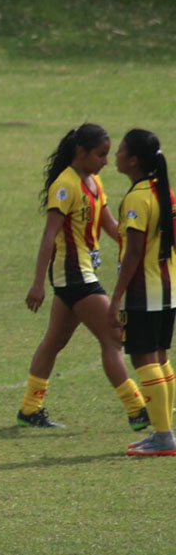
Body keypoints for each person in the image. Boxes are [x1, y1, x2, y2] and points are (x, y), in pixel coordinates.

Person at [18, 124, 148, 430]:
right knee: (114, 337)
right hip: (74, 275)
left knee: (55, 341)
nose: (106, 160)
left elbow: (110, 225)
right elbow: (49, 236)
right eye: (100, 154)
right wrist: (38, 282)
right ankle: (137, 410)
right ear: (81, 153)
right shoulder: (65, 186)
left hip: (81, 274)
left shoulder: (94, 182)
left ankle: (29, 408)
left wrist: (138, 244)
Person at [108, 130, 176, 456]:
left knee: (144, 357)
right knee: (161, 356)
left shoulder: (136, 198)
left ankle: (163, 436)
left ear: (133, 160)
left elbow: (133, 253)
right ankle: (164, 431)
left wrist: (117, 297)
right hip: (169, 288)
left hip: (144, 291)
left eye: (120, 150)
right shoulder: (166, 193)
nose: (116, 155)